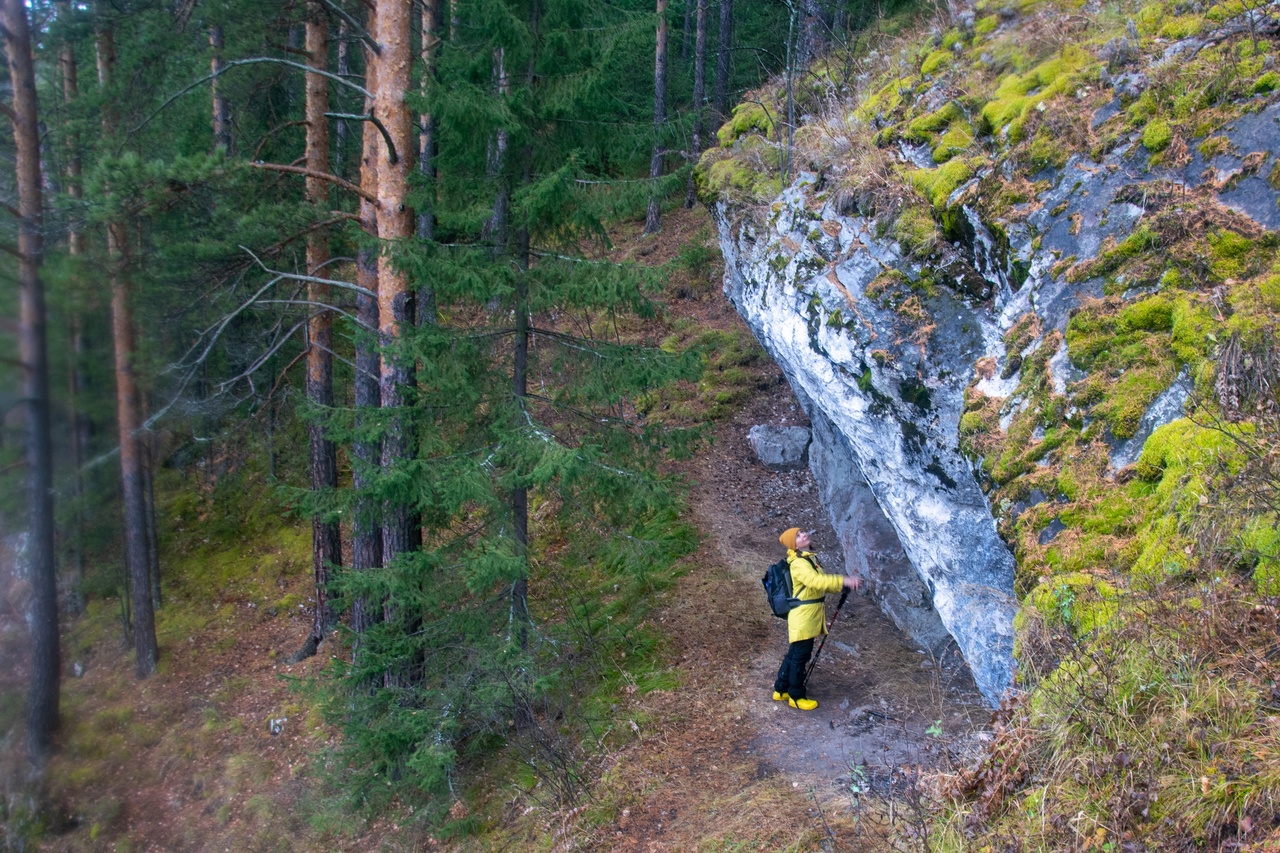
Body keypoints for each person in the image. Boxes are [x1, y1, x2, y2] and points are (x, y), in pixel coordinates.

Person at [772, 527, 860, 711]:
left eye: (802, 532)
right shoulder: (798, 563)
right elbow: (815, 582)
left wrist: (838, 587)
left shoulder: (808, 559)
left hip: (808, 615)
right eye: (798, 536)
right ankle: (796, 696)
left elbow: (817, 585)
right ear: (793, 545)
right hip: (803, 617)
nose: (803, 535)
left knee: (795, 653)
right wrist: (843, 581)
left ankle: (781, 689)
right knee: (800, 657)